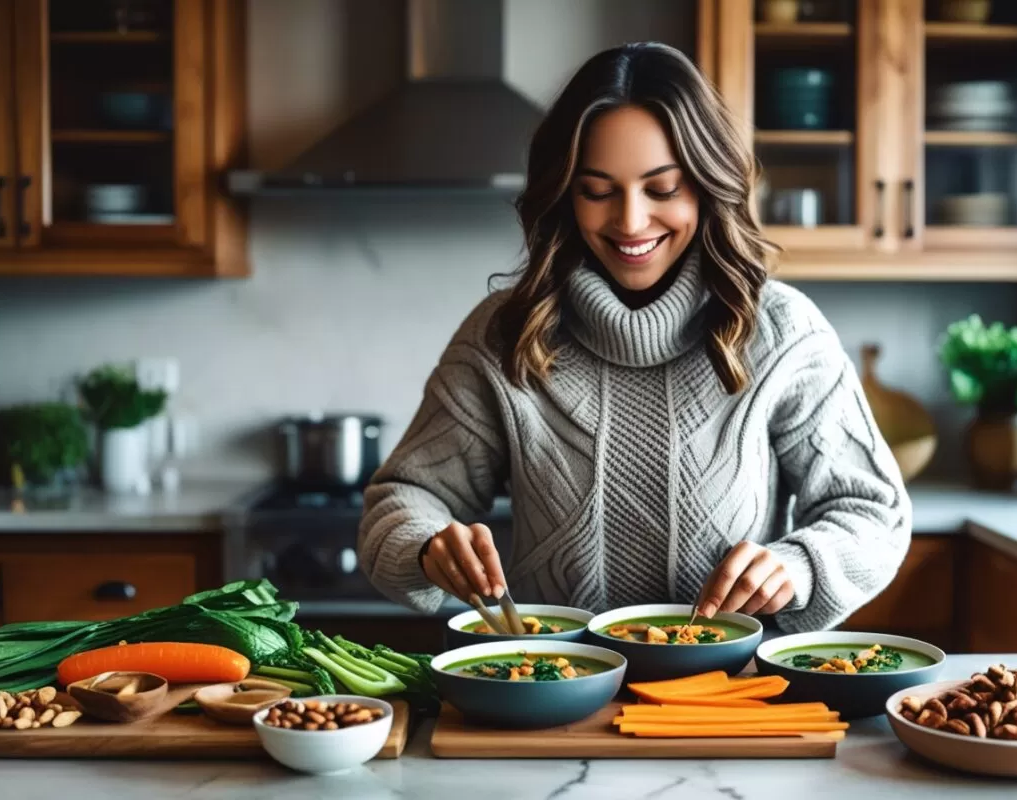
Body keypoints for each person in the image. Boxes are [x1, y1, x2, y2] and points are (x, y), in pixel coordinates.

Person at [358, 42, 911, 633]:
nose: (629, 221)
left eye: (663, 188)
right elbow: (400, 500)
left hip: (728, 703)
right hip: (552, 692)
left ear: (705, 183)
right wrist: (428, 545)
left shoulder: (781, 333)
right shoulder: (504, 336)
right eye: (597, 191)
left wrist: (797, 567)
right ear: (565, 194)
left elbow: (873, 514)